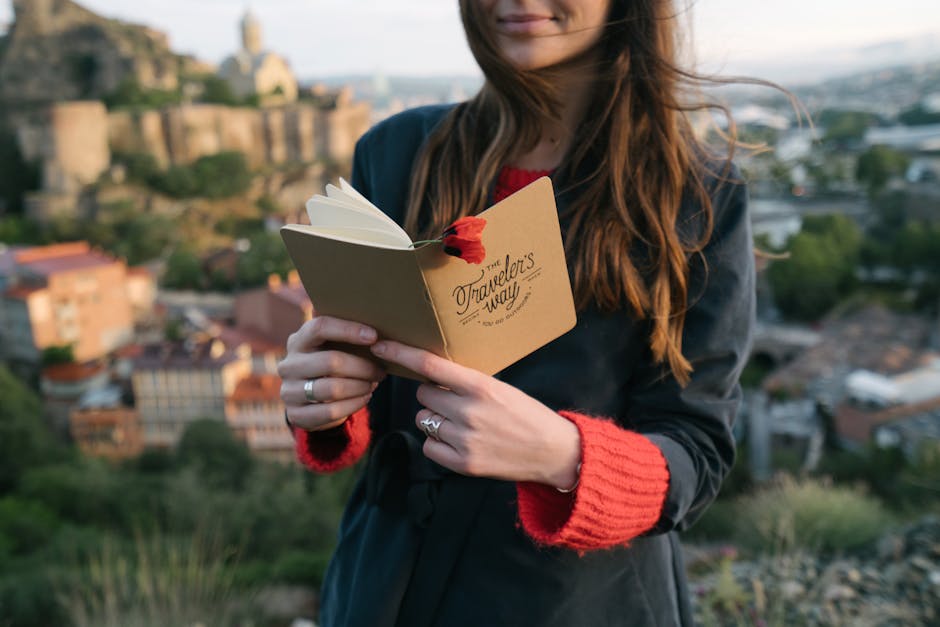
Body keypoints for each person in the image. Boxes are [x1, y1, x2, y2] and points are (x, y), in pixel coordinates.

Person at [277, 1, 755, 625]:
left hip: (581, 601)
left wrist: (562, 455)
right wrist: (321, 398)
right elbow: (353, 382)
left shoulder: (698, 195)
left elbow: (699, 452)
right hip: (387, 585)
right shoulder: (395, 152)